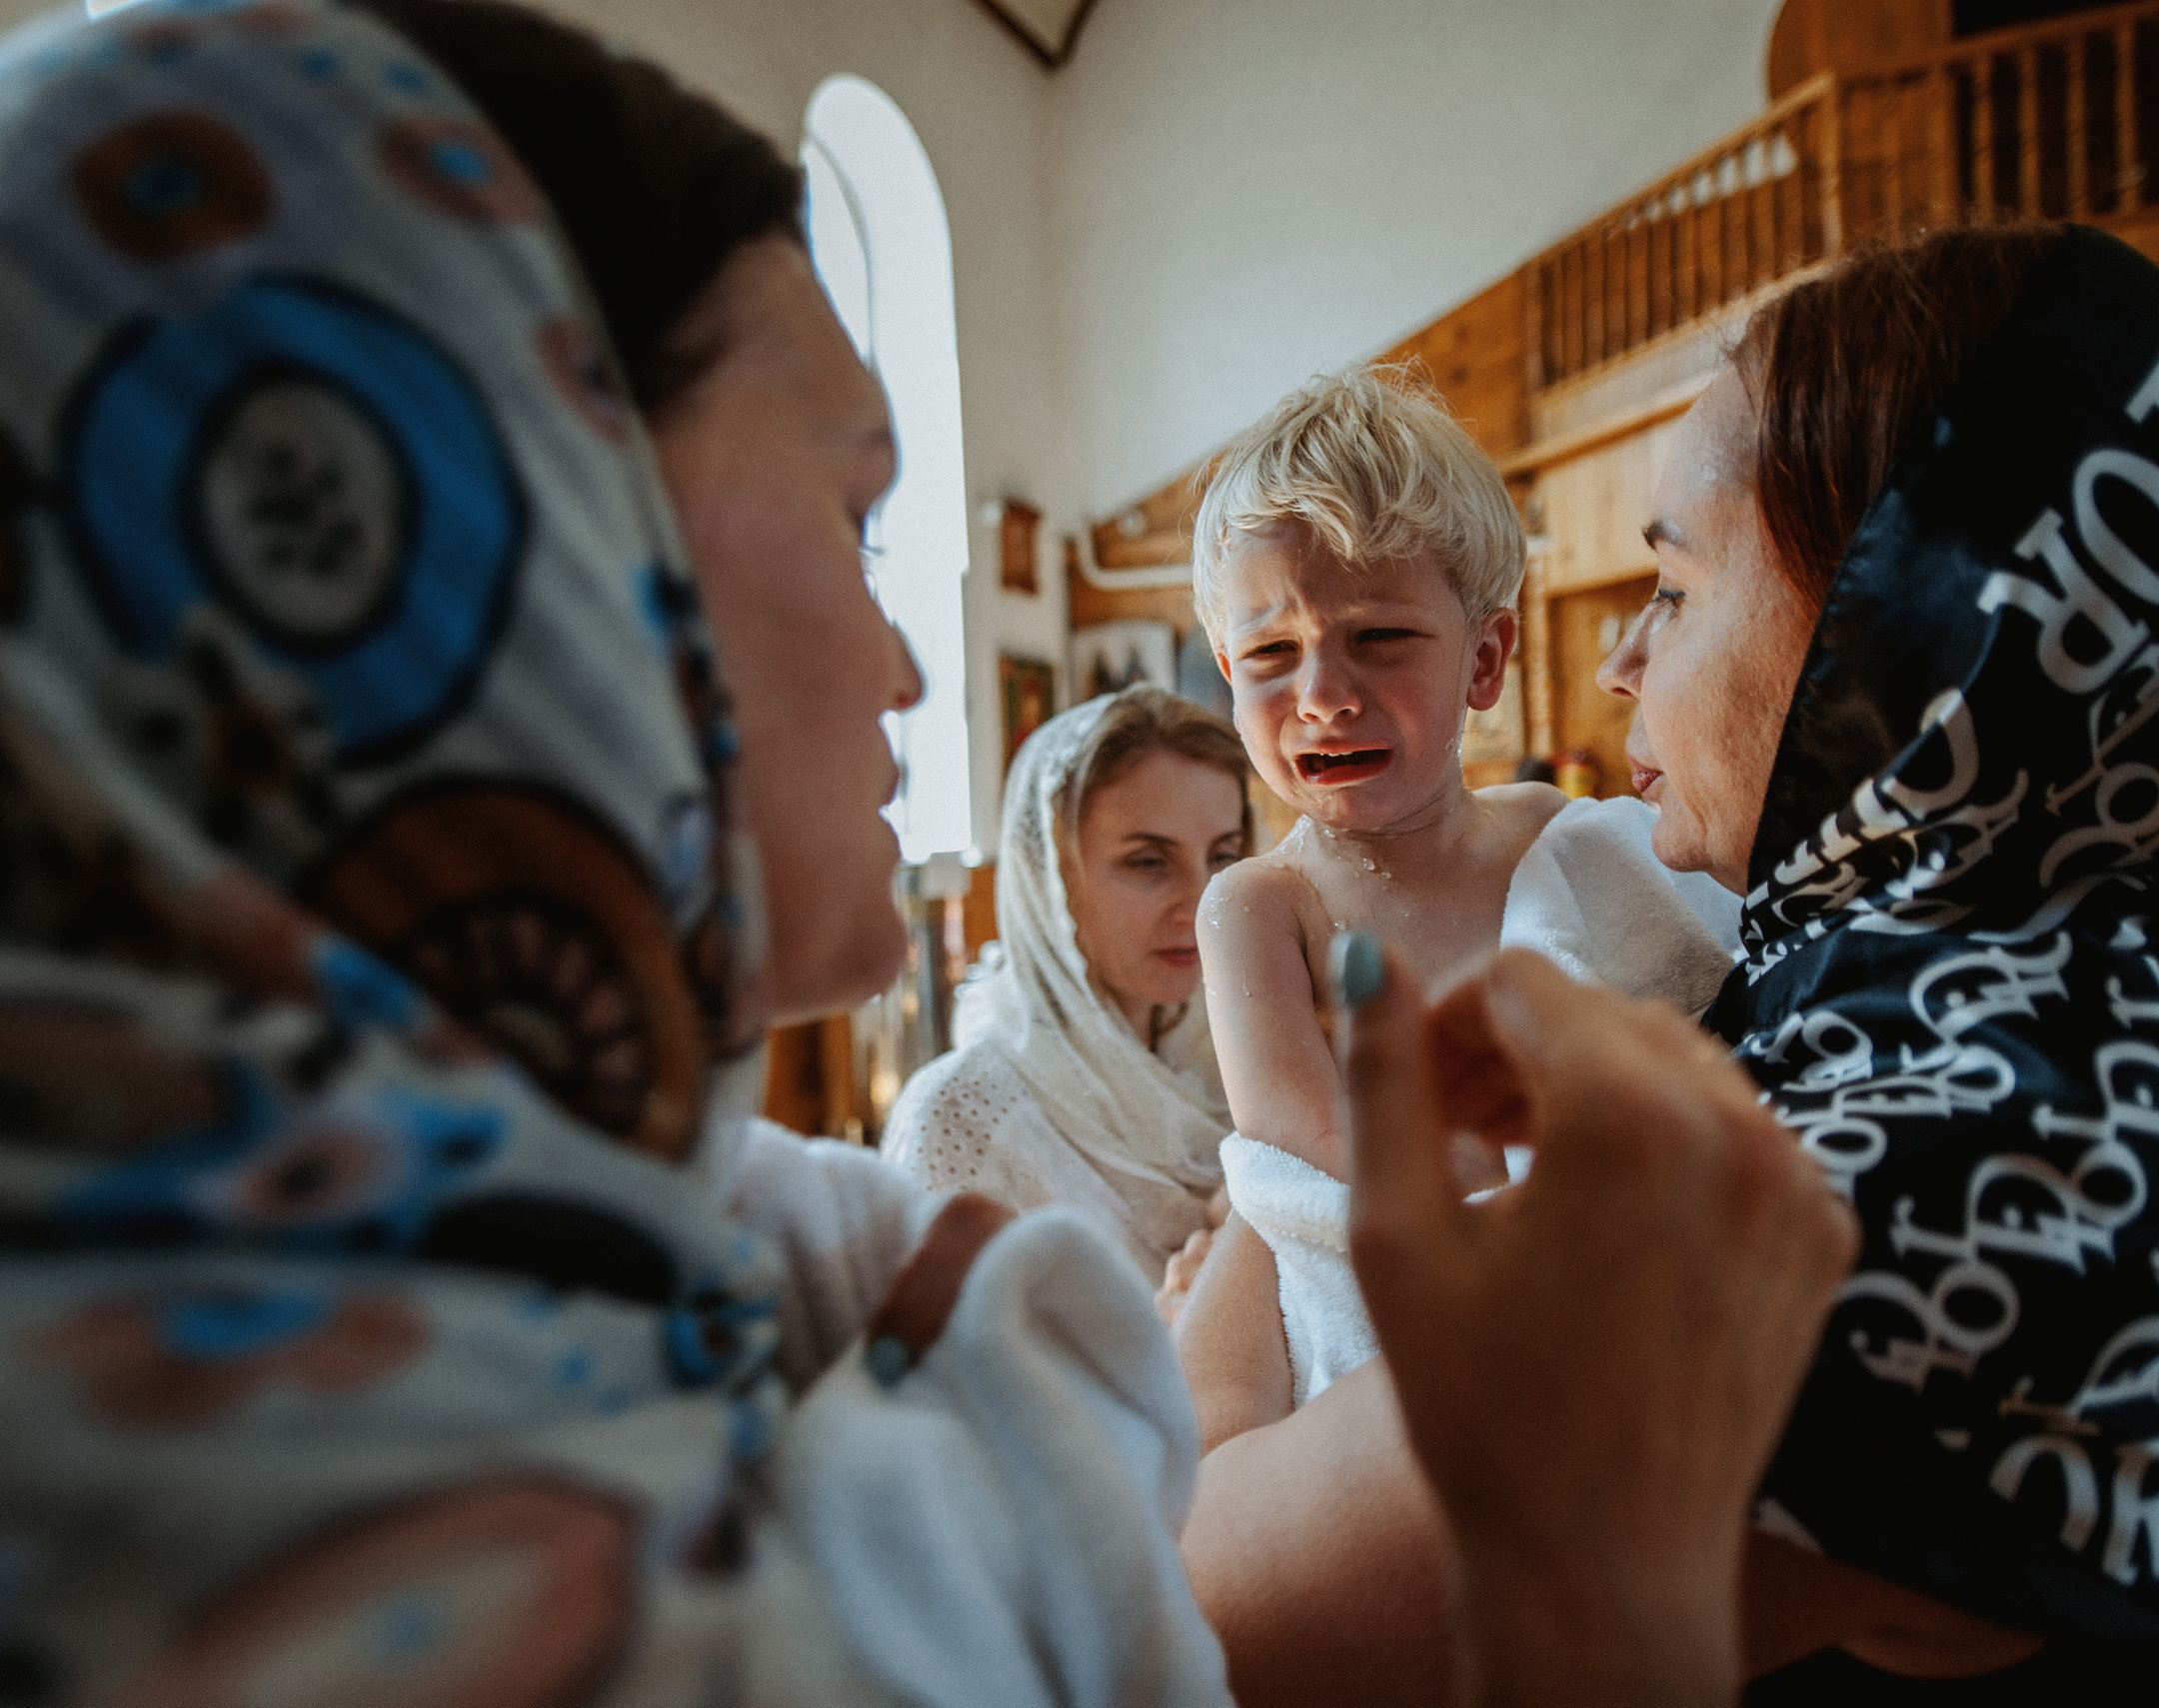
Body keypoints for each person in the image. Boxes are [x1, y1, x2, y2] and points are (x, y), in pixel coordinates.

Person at [0, 4, 1857, 1705]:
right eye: (853, 510)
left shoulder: (744, 1259)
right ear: (533, 571)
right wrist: (1640, 1596)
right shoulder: (410, 1582)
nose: (906, 656)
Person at [1181, 222, 2159, 1708]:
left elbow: (1213, 1595)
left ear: (1910, 631)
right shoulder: (2036, 998)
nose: (1619, 669)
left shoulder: (1981, 1153)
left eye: (1672, 588)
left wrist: (1233, 1292)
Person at [1175, 366, 1739, 1445]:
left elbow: (1696, 986)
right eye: (1269, 654)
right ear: (1226, 679)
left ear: (1485, 658)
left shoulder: (1555, 834)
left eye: (1377, 638)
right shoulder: (1261, 909)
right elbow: (1312, 1147)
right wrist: (1543, 1175)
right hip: (1393, 1346)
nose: (1323, 692)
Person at [883, 686, 1248, 1286]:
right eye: (1148, 862)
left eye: (1222, 857)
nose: (1201, 903)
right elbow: (943, 1368)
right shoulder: (960, 1119)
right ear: (1047, 876)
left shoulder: (1226, 1073)